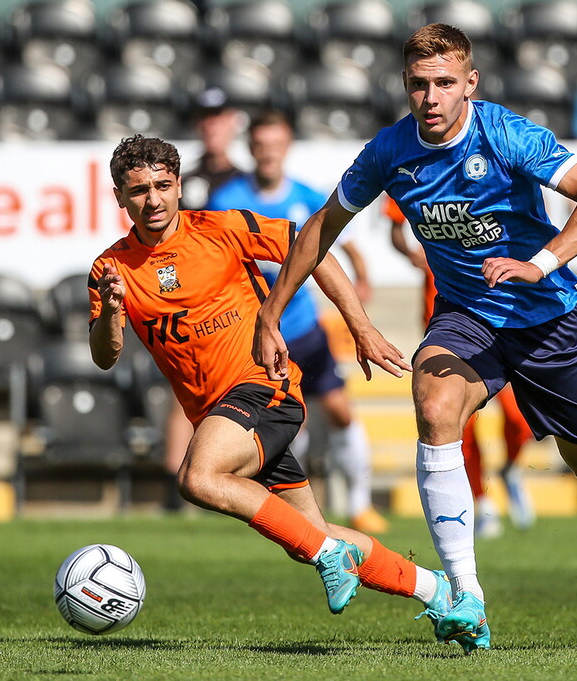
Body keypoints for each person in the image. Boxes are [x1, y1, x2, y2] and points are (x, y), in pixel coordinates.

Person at [254, 24, 577, 653]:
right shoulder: (388, 152)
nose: (432, 97)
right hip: (467, 315)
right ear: (405, 86)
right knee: (434, 402)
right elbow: (319, 228)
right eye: (419, 84)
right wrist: (272, 313)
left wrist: (538, 263)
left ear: (471, 83)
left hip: (545, 317)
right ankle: (468, 600)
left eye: (445, 83)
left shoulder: (504, 134)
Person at [88, 134, 452, 633]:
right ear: (119, 197)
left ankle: (328, 554)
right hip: (220, 415)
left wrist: (360, 326)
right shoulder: (111, 269)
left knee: (199, 478)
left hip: (264, 388)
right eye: (138, 190)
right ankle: (438, 592)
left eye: (163, 186)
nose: (152, 200)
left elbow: (313, 247)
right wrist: (111, 312)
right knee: (312, 534)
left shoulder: (222, 228)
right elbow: (105, 357)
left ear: (177, 187)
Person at [209, 109, 388, 534]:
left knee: (341, 412)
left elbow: (340, 242)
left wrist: (361, 280)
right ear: (250, 148)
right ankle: (298, 513)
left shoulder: (307, 195)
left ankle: (360, 504)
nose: (268, 152)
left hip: (305, 330)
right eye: (260, 144)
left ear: (287, 146)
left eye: (276, 144)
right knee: (290, 424)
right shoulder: (225, 200)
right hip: (258, 338)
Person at [385, 195, 535, 536]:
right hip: (449, 321)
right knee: (460, 427)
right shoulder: (410, 167)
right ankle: (483, 503)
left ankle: (509, 469)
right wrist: (412, 254)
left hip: (499, 316)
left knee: (518, 417)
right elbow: (395, 227)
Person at [162, 87, 246, 512]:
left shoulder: (243, 183)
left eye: (220, 116)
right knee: (187, 393)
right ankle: (174, 491)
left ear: (233, 123)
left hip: (235, 304)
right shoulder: (184, 182)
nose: (212, 125)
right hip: (189, 304)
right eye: (206, 118)